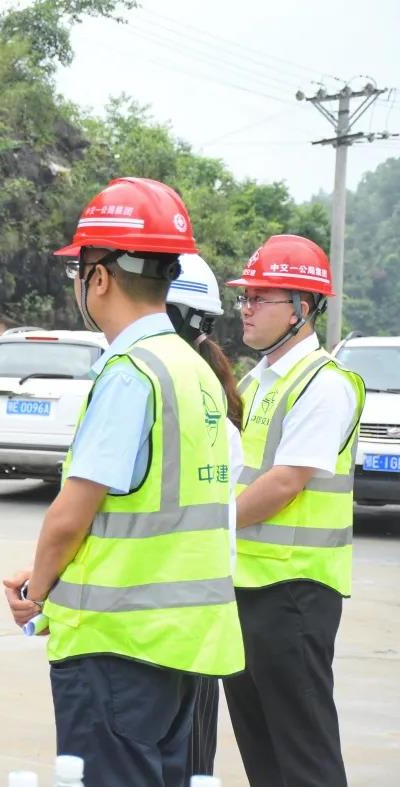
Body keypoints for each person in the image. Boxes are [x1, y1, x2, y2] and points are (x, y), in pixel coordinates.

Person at [2, 178, 244, 787]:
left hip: (118, 644)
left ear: (100, 277)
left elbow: (72, 513)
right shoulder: (193, 369)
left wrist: (37, 589)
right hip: (180, 644)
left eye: (79, 271)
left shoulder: (130, 372)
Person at [222, 235, 364, 787]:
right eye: (245, 297)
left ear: (301, 309)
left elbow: (284, 483)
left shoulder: (323, 385)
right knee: (262, 750)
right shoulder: (257, 381)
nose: (247, 308)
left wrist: (208, 525)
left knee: (304, 755)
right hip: (248, 585)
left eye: (261, 298)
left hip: (295, 594)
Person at [166, 252, 245, 777]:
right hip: (195, 623)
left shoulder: (170, 396)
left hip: (170, 627)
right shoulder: (207, 395)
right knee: (191, 765)